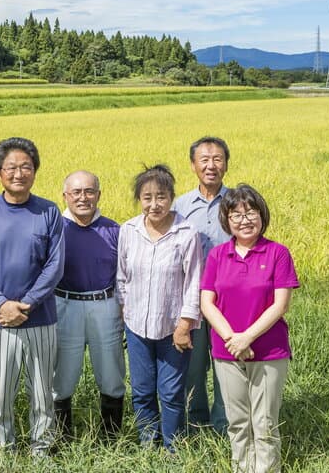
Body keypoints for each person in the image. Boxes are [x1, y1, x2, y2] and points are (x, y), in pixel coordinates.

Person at [0, 137, 64, 456]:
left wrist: (26, 304)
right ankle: (2, 450)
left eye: (26, 166)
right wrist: (2, 303)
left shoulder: (49, 211)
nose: (19, 173)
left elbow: (55, 265)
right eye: (11, 167)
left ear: (35, 171)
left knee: (42, 393)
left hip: (41, 319)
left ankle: (41, 450)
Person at [200, 184, 299, 473]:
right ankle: (242, 468)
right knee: (237, 421)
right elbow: (207, 303)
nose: (244, 220)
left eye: (250, 212)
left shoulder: (277, 253)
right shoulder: (218, 255)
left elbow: (280, 305)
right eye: (236, 215)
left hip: (269, 351)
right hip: (227, 351)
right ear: (226, 220)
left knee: (265, 422)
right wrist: (233, 339)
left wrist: (247, 337)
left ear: (261, 214)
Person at [117, 164, 202, 450]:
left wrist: (184, 325)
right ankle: (147, 442)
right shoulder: (128, 230)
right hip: (137, 324)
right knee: (141, 390)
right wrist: (122, 318)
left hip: (173, 327)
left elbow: (194, 282)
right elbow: (122, 277)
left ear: (172, 197)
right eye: (147, 197)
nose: (155, 204)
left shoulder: (187, 232)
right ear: (139, 199)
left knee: (171, 391)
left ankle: (173, 447)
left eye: (161, 196)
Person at [53, 170, 126, 439]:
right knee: (62, 374)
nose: (83, 198)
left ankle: (111, 437)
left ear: (99, 194)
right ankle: (62, 437)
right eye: (76, 192)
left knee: (111, 372)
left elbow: (124, 274)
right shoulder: (54, 228)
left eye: (89, 191)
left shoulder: (115, 230)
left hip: (104, 305)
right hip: (65, 304)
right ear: (65, 196)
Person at [172, 136, 231, 434]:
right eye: (204, 159)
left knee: (227, 365)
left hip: (229, 301)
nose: (211, 165)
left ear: (226, 164)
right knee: (193, 367)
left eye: (217, 159)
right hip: (191, 300)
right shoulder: (179, 206)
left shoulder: (237, 203)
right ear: (193, 165)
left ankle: (224, 424)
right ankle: (195, 423)